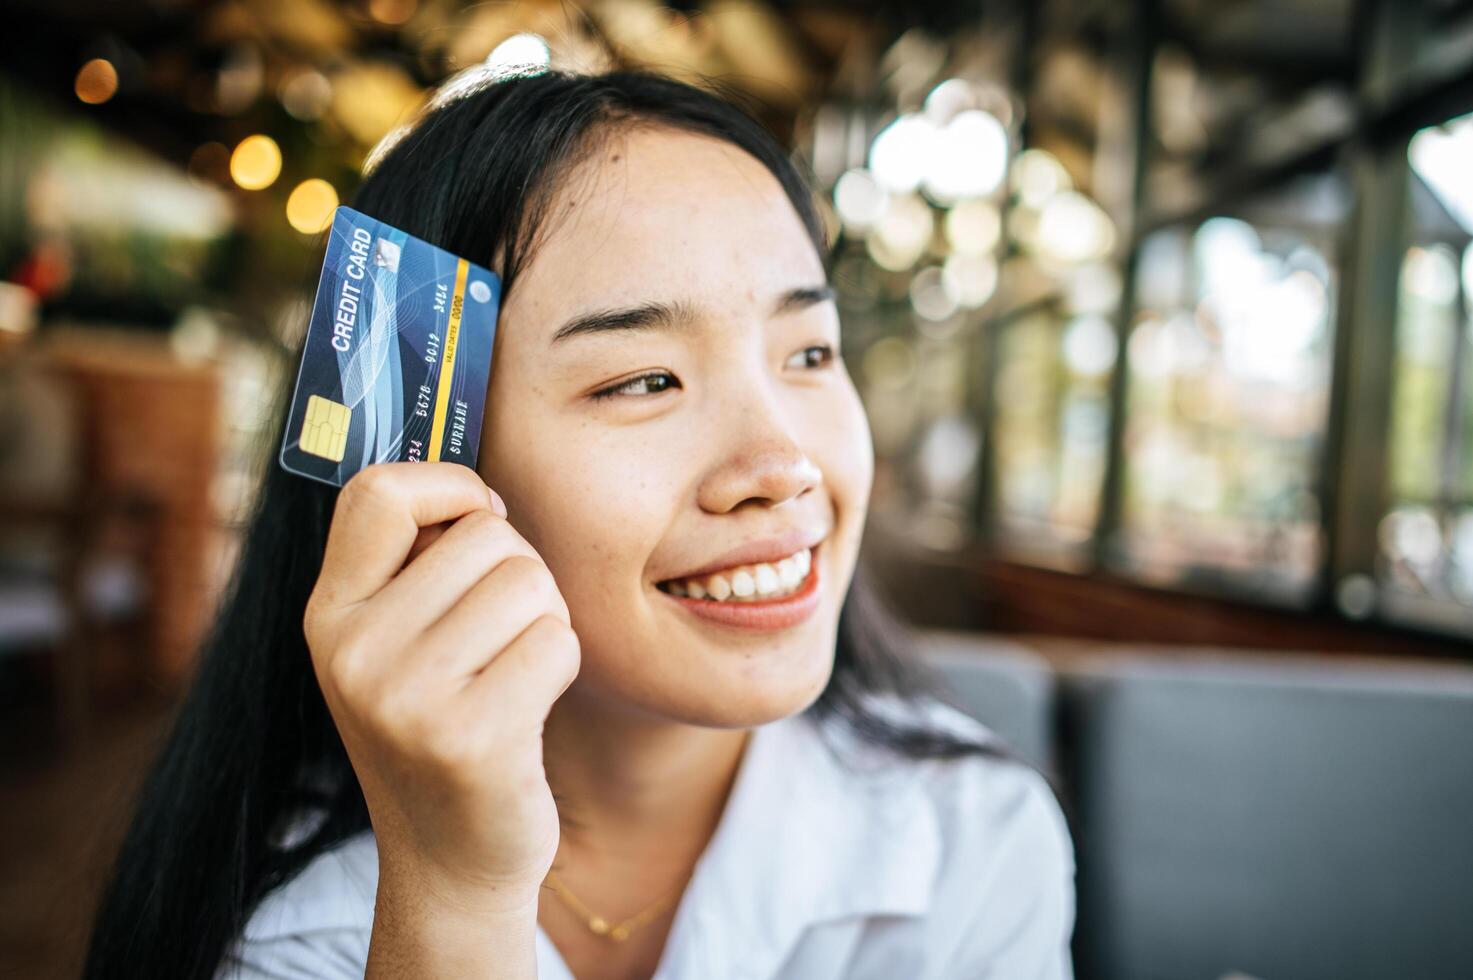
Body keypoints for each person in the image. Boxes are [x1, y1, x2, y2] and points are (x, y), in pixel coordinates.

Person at [82, 67, 1075, 980]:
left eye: (811, 353)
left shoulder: (974, 840)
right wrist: (451, 895)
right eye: (644, 378)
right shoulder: (272, 921)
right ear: (423, 470)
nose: (783, 466)